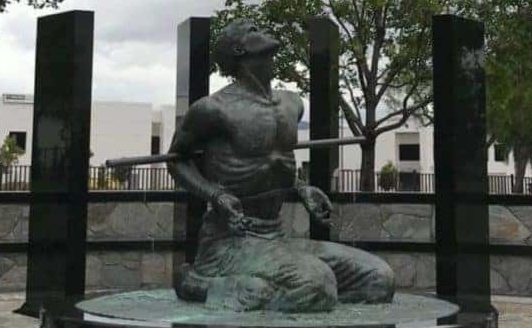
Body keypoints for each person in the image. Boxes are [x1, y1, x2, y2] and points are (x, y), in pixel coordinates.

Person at [168, 19, 394, 312]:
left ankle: (274, 298)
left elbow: (274, 160)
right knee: (318, 283)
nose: (263, 31)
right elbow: (176, 160)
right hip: (230, 242)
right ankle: (204, 283)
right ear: (238, 49)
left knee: (378, 279)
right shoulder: (213, 109)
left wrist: (302, 188)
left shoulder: (292, 103)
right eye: (253, 31)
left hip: (276, 238)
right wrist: (215, 195)